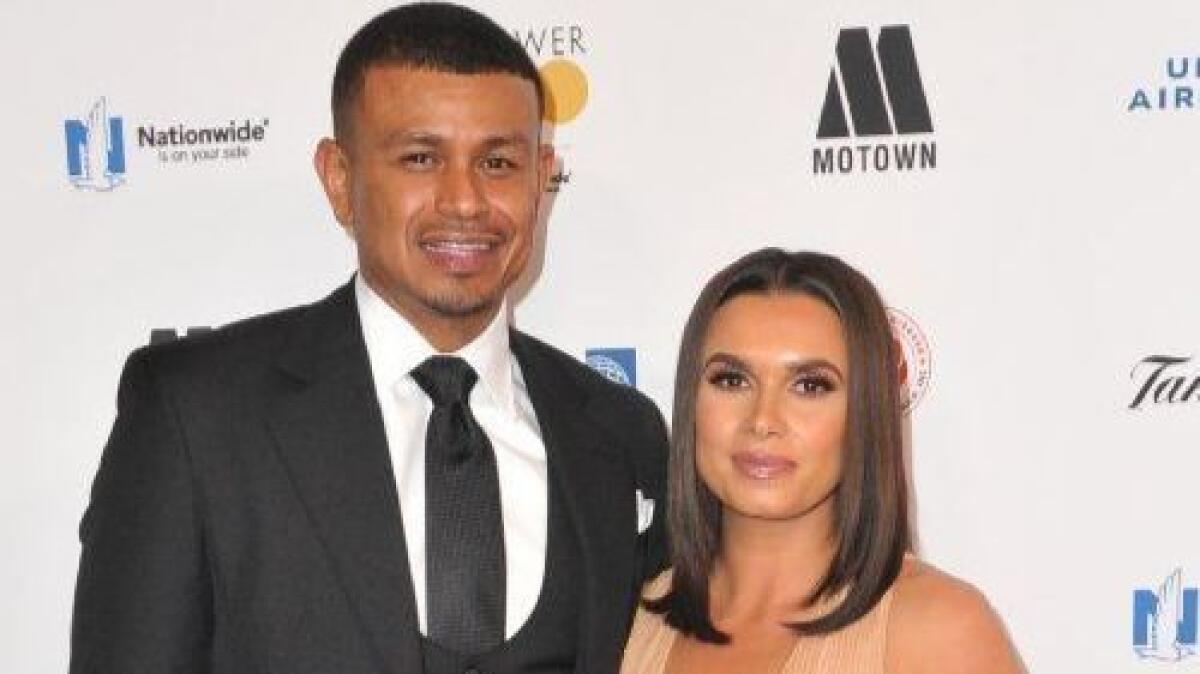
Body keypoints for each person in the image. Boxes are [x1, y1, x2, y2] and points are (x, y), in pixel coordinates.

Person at [69, 4, 668, 673]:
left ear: (540, 177)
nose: (465, 200)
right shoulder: (196, 414)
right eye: (420, 157)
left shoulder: (618, 435)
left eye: (498, 162)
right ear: (340, 181)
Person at [621, 249, 1024, 673]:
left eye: (810, 386)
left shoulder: (939, 632)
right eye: (731, 380)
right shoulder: (629, 622)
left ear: (865, 414)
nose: (762, 420)